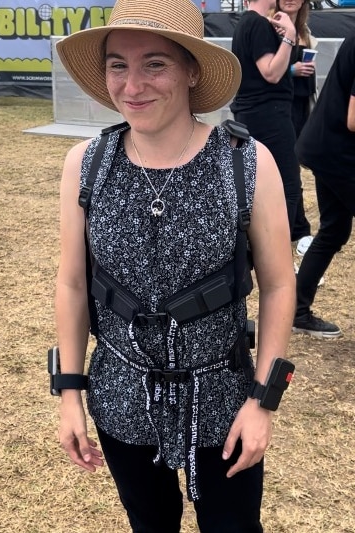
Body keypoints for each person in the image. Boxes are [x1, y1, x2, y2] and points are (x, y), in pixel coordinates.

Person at [54, 0, 295, 530]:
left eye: (154, 64)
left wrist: (263, 402)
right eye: (118, 64)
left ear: (191, 71)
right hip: (120, 395)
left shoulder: (247, 163)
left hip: (224, 404)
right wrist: (70, 393)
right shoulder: (86, 164)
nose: (132, 85)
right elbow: (73, 284)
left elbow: (279, 286)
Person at [291, 33, 355, 339]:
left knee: (334, 230)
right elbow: (354, 118)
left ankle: (298, 311)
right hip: (336, 152)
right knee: (333, 231)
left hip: (326, 146)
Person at [230, 0, 303, 250]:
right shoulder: (258, 24)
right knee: (289, 189)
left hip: (252, 114)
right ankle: (280, 258)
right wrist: (290, 37)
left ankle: (263, 251)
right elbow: (271, 72)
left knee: (261, 189)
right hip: (269, 115)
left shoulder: (245, 24)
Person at [278, 0, 316, 256]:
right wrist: (292, 70)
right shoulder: (274, 29)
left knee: (298, 166)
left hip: (303, 104)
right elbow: (266, 72)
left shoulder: (305, 31)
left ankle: (298, 227)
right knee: (289, 169)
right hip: (284, 106)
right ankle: (298, 227)